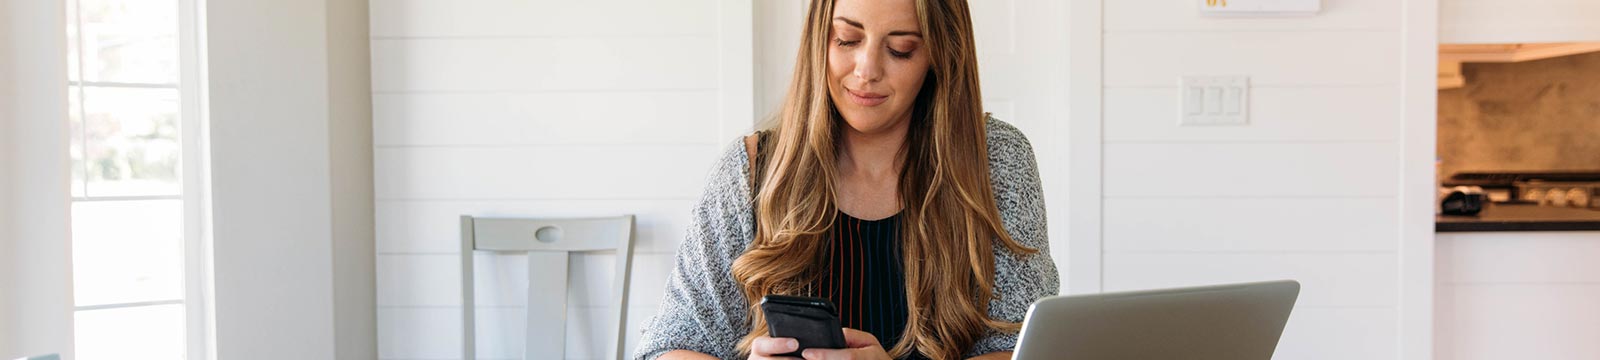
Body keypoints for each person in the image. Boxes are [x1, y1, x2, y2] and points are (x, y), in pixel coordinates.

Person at [635, 0, 1057, 358]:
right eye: (847, 40)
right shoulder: (751, 171)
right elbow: (676, 341)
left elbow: (1025, 349)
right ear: (819, 39)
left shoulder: (996, 162)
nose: (866, 69)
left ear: (939, 55)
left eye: (901, 49)